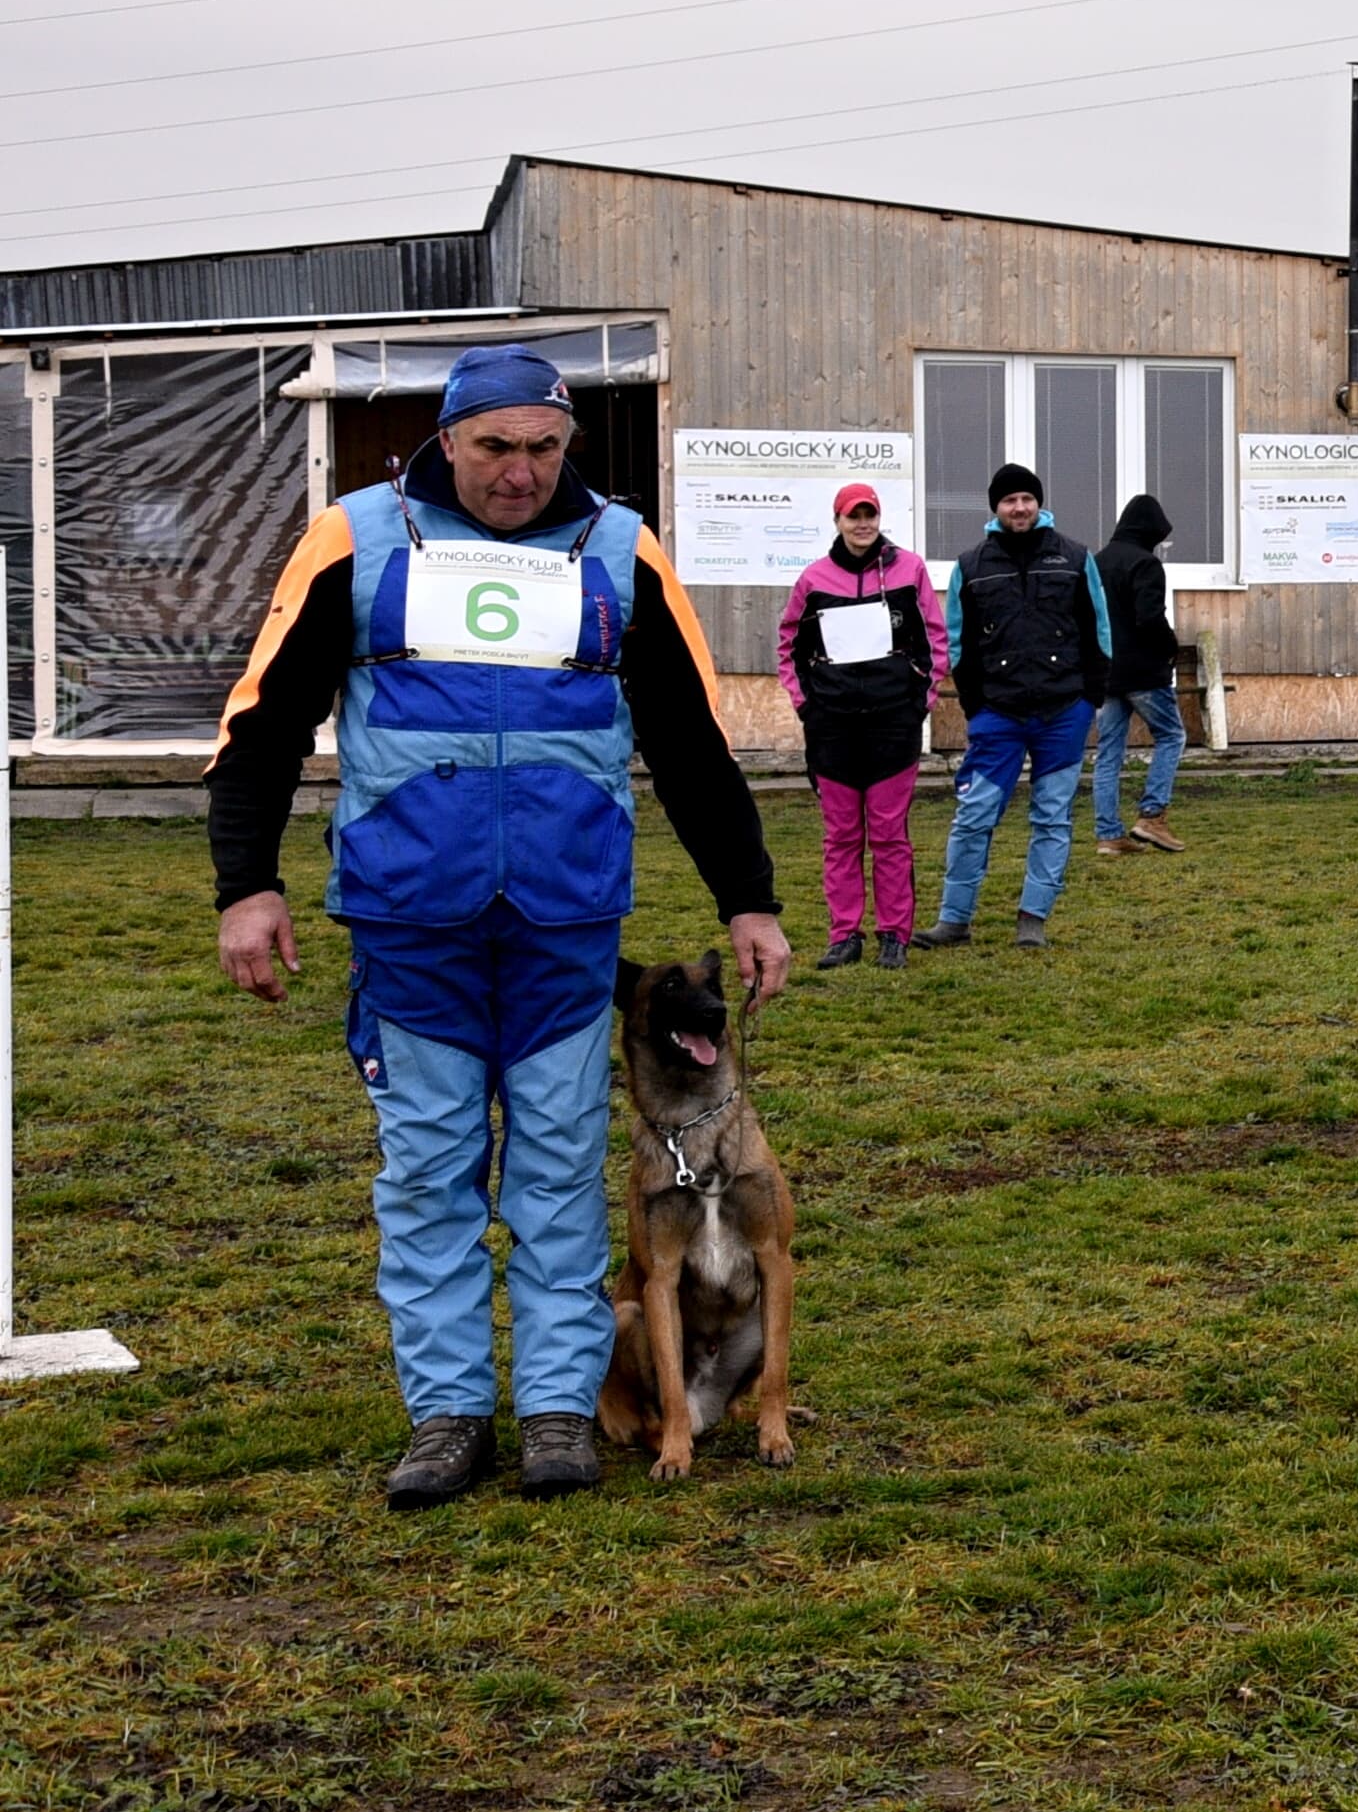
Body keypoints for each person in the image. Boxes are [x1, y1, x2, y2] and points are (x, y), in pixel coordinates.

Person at [206, 344, 790, 1509]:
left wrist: (748, 894)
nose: (519, 472)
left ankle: (560, 1409)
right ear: (445, 439)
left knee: (562, 1167)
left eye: (543, 448)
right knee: (430, 1170)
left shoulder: (622, 551)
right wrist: (246, 884)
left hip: (564, 922)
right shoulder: (356, 537)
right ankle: (448, 1412)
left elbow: (689, 741)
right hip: (411, 918)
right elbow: (263, 720)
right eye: (494, 447)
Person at [926, 463, 1110, 952]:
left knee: (1052, 818)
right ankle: (954, 920)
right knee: (974, 816)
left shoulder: (1076, 558)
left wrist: (1090, 699)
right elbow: (957, 642)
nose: (1020, 507)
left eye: (1027, 498)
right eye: (1010, 500)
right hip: (998, 715)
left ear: (1039, 503)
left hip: (1063, 713)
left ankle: (1033, 918)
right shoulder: (970, 566)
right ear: (996, 508)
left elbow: (1099, 631)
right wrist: (976, 706)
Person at [776, 484, 948, 968]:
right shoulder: (814, 579)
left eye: (870, 515)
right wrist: (806, 706)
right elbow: (789, 645)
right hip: (832, 727)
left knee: (890, 836)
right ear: (838, 521)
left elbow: (935, 639)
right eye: (854, 516)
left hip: (893, 723)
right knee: (841, 837)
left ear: (880, 519)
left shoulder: (909, 569)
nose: (863, 524)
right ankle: (844, 936)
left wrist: (920, 701)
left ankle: (894, 934)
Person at [1088, 493, 1187, 857]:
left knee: (1108, 752)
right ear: (1150, 531)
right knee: (1172, 736)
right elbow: (1149, 618)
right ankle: (1152, 815)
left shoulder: (1096, 563)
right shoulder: (1146, 564)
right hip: (1144, 672)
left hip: (1107, 673)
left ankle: (1109, 835)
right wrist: (1171, 645)